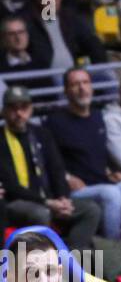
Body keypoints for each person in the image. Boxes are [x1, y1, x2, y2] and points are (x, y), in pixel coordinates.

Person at [0, 86, 100, 251]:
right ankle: (44, 263)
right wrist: (47, 203)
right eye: (13, 108)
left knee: (91, 210)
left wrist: (63, 199)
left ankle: (71, 258)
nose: (19, 113)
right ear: (4, 111)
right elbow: (10, 186)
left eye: (23, 107)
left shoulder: (42, 134)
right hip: (17, 203)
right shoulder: (1, 139)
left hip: (50, 200)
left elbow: (57, 170)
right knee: (41, 214)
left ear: (31, 109)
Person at [45, 67, 121, 240]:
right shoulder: (55, 121)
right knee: (111, 194)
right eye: (75, 84)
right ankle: (115, 248)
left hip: (106, 183)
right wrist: (67, 177)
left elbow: (105, 153)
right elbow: (48, 160)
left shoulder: (99, 116)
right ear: (66, 91)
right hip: (80, 190)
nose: (82, 88)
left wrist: (113, 171)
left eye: (85, 83)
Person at [25, 0, 108, 69]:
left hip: (71, 76)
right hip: (41, 76)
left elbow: (92, 43)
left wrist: (99, 69)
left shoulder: (70, 18)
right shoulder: (27, 22)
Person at [0, 13, 50, 80]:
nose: (18, 38)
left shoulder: (41, 62)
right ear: (3, 38)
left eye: (21, 32)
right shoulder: (2, 67)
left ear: (27, 35)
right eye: (11, 34)